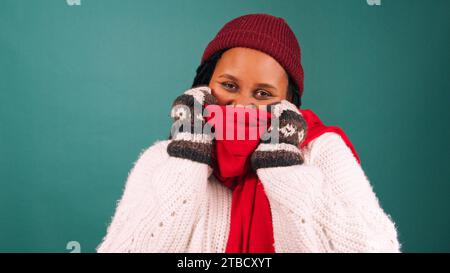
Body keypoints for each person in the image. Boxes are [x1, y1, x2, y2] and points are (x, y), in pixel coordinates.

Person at [97, 13, 400, 253]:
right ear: (204, 84)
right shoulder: (163, 159)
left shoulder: (322, 152)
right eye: (229, 85)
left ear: (287, 103)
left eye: (263, 93)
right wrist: (188, 158)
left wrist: (282, 167)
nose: (242, 104)